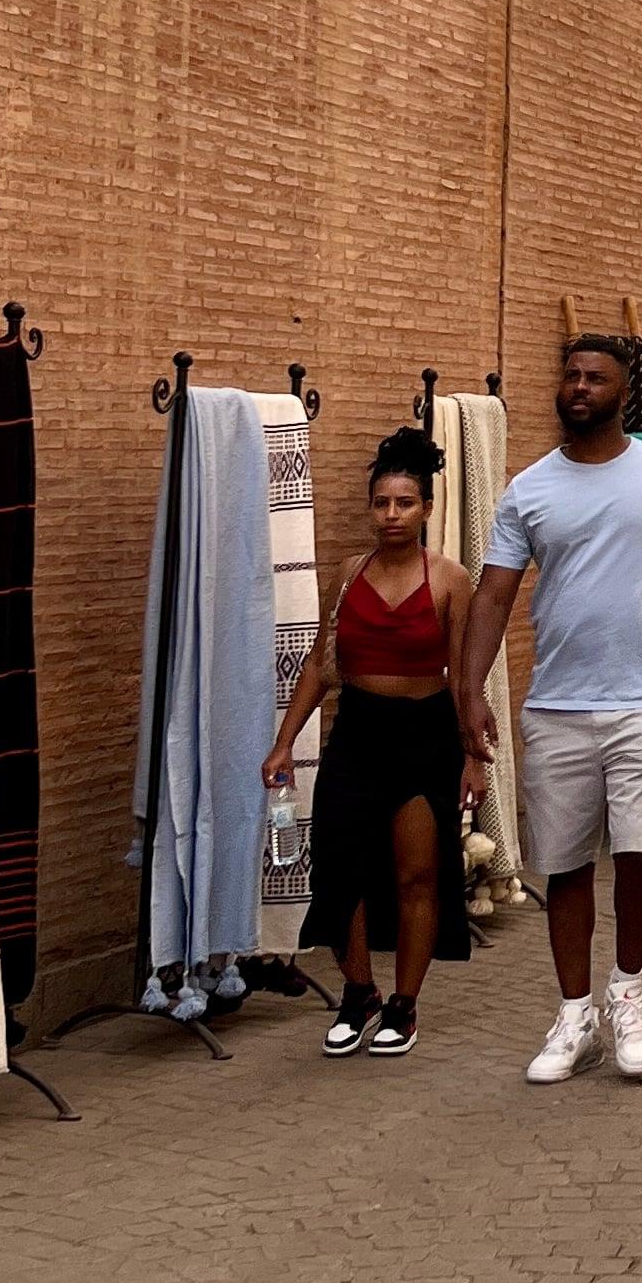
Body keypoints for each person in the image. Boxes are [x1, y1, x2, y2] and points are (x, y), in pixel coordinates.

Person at [458, 335, 642, 1084]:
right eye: (571, 375)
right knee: (562, 866)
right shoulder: (529, 488)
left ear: (624, 392)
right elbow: (493, 594)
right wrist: (467, 691)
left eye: (596, 377)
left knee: (641, 851)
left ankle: (627, 990)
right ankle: (573, 1012)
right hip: (556, 705)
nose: (579, 386)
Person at [267, 425, 474, 1060]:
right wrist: (282, 744)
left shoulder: (449, 580)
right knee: (341, 870)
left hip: (424, 734)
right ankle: (359, 992)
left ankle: (404, 1006)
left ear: (427, 509)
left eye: (404, 503)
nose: (391, 515)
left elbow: (468, 675)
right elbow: (319, 666)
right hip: (355, 733)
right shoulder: (347, 574)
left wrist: (474, 757)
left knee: (416, 875)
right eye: (381, 503)